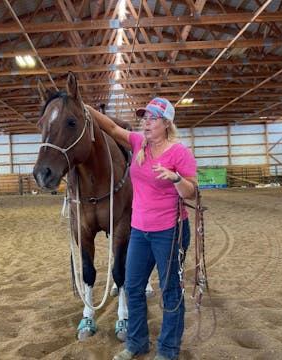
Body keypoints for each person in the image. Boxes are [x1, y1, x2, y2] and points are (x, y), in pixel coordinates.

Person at [86, 97, 197, 360]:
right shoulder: (138, 143)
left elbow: (192, 191)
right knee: (133, 286)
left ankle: (168, 350)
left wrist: (176, 178)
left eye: (152, 118)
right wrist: (84, 108)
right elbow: (112, 129)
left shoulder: (179, 153)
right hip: (139, 231)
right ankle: (136, 343)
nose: (145, 123)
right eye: (144, 118)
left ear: (166, 123)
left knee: (170, 290)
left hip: (170, 231)